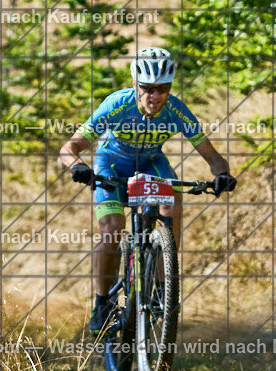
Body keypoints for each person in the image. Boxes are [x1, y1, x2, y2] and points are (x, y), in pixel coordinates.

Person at [59, 47, 237, 334]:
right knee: (112, 228)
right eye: (147, 88)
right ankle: (101, 301)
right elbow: (68, 148)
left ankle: (163, 277)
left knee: (173, 200)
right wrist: (78, 166)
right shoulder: (116, 104)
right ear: (134, 85)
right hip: (111, 165)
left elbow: (212, 156)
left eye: (163, 88)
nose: (155, 96)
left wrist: (222, 174)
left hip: (152, 163)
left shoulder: (176, 110)